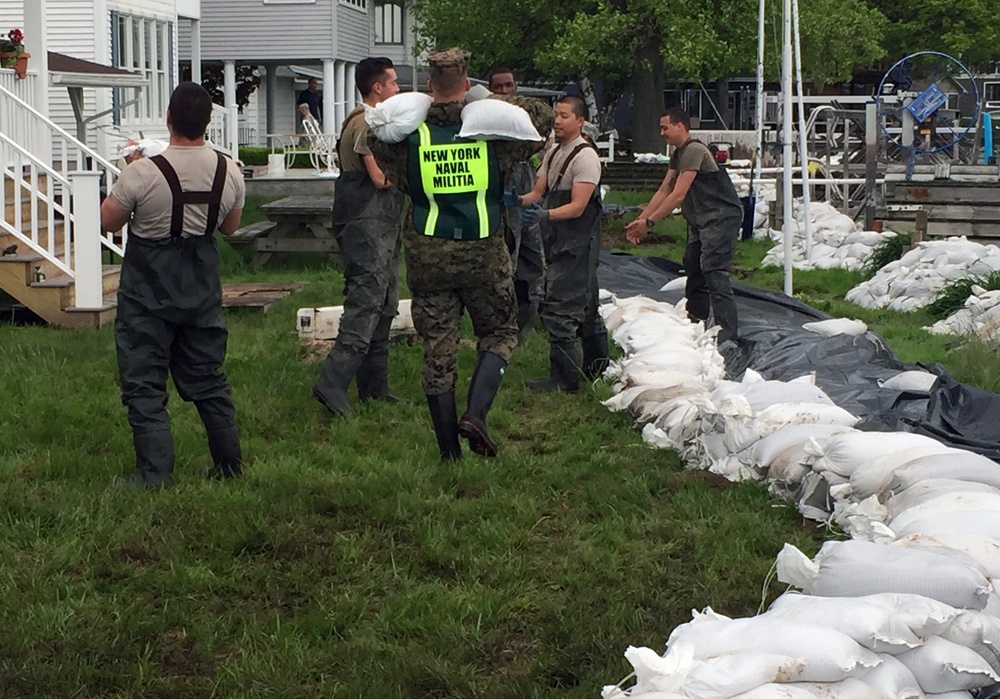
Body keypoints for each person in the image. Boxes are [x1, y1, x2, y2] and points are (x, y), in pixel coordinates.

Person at [369, 47, 552, 460]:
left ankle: (449, 452)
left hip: (428, 260)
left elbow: (375, 139)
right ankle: (476, 414)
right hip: (484, 256)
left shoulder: (408, 138)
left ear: (429, 86)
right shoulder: (494, 135)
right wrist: (485, 100)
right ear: (468, 86)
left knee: (438, 349)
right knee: (501, 332)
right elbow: (539, 119)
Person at [100, 82, 246, 487]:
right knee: (208, 379)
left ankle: (154, 474)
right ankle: (229, 465)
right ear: (208, 122)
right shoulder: (228, 169)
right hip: (200, 290)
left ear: (168, 120)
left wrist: (126, 171)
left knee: (144, 382)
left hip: (147, 294)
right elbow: (230, 228)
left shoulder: (141, 173)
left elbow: (107, 221)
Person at [313, 57, 404, 415]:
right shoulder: (367, 123)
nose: (398, 89)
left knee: (385, 304)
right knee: (366, 303)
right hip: (366, 227)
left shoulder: (372, 120)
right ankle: (331, 383)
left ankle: (374, 387)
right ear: (378, 87)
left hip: (382, 227)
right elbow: (380, 178)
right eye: (394, 83)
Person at [510, 94, 608, 392]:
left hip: (578, 246)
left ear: (580, 121)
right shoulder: (553, 154)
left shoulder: (585, 157)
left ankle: (564, 380)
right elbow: (537, 191)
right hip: (558, 243)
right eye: (556, 115)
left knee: (559, 309)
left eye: (565, 116)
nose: (557, 121)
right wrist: (514, 200)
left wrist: (544, 216)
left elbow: (578, 206)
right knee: (587, 306)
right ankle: (597, 368)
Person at [625, 107, 743, 345]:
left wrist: (649, 223)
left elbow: (678, 194)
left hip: (720, 218)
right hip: (701, 220)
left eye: (665, 127)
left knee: (713, 271)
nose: (662, 133)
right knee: (693, 265)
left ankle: (728, 334)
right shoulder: (678, 154)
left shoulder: (695, 150)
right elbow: (664, 189)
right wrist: (641, 219)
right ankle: (695, 321)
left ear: (680, 126)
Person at [488, 66, 545, 339]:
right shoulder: (485, 115)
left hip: (527, 177)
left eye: (508, 85)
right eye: (498, 87)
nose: (504, 91)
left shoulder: (525, 112)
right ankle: (506, 320)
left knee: (534, 249)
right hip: (502, 179)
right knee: (509, 248)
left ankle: (532, 312)